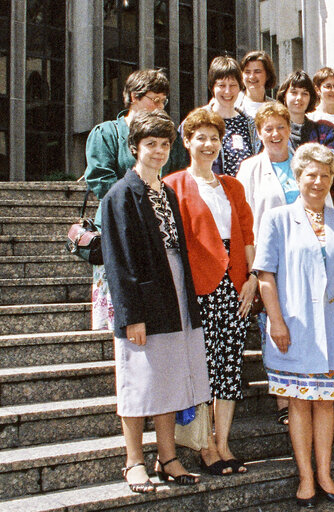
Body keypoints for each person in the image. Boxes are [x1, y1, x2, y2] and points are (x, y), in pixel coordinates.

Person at [100, 110, 210, 493]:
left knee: (169, 378)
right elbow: (117, 261)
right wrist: (132, 316)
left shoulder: (166, 192)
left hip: (174, 291)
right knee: (138, 381)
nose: (159, 152)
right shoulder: (119, 195)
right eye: (151, 145)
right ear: (135, 148)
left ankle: (168, 457)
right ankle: (133, 461)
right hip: (142, 299)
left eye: (165, 145)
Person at [254, 143, 334, 507]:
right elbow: (266, 275)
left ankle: (325, 474)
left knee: (326, 404)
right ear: (298, 177)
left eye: (325, 175)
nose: (318, 181)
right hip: (294, 326)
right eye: (310, 174)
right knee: (300, 403)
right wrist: (276, 322)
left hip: (333, 328)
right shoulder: (277, 218)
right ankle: (305, 478)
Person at [164, 108, 257, 475]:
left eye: (214, 138)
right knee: (202, 366)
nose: (208, 144)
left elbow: (247, 235)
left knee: (230, 367)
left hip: (235, 284)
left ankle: (223, 443)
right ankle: (204, 446)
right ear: (187, 142)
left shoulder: (233, 186)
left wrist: (252, 277)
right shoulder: (173, 185)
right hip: (197, 287)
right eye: (200, 137)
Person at [237, 102, 333, 426]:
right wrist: (252, 270)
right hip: (269, 259)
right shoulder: (250, 169)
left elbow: (325, 206)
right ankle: (284, 401)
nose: (276, 134)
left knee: (310, 323)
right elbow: (243, 221)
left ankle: (317, 393)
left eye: (281, 127)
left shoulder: (304, 164)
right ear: (259, 133)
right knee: (274, 325)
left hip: (308, 259)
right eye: (269, 129)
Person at [85, 70, 189, 333]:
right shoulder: (106, 133)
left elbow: (176, 175)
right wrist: (137, 204)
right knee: (124, 317)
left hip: (161, 235)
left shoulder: (168, 138)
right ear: (134, 97)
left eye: (163, 101)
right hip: (120, 230)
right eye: (154, 99)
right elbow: (100, 180)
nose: (159, 106)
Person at [276, 70, 334, 206]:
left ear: (311, 98)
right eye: (294, 92)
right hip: (282, 201)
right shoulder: (274, 132)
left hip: (321, 201)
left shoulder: (325, 129)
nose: (299, 98)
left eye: (304, 93)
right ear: (284, 96)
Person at [204, 56, 258, 176]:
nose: (228, 91)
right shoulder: (200, 122)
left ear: (240, 87)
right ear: (212, 87)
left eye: (233, 85)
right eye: (222, 85)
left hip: (245, 192)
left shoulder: (250, 124)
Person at [236, 50, 277, 117]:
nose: (252, 76)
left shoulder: (276, 108)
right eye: (247, 72)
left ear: (268, 75)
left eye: (257, 71)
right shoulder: (232, 104)